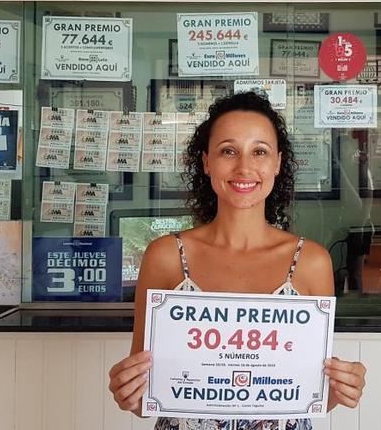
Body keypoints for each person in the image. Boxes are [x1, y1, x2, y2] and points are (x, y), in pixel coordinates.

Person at [108, 92, 367, 430]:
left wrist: (341, 389)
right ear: (206, 162)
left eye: (259, 151)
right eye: (228, 151)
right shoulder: (166, 256)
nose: (244, 167)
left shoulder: (310, 262)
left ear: (277, 162)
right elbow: (147, 397)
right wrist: (128, 392)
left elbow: (309, 395)